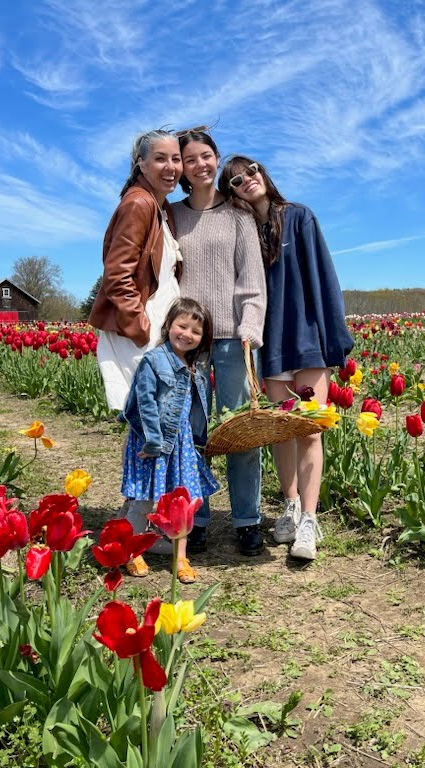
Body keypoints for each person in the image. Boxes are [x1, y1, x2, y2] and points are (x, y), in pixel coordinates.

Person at [220, 155, 354, 561]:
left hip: (306, 337)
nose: (247, 181)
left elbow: (324, 276)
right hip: (270, 341)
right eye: (236, 181)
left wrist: (334, 337)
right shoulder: (243, 231)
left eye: (252, 171)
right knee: (281, 430)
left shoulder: (299, 217)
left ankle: (310, 521)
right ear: (232, 193)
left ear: (264, 173)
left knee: (309, 429)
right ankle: (291, 507)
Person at [171, 129, 267, 556]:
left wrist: (251, 327)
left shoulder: (239, 216)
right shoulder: (171, 216)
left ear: (216, 159)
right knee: (193, 433)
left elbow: (252, 282)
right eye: (190, 160)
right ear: (182, 169)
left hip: (232, 340)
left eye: (206, 156)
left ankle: (248, 518)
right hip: (189, 340)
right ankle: (198, 518)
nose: (200, 165)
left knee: (239, 431)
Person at [87, 129, 183, 544]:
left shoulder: (158, 207)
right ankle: (137, 529)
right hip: (138, 336)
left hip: (153, 330)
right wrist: (141, 328)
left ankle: (136, 520)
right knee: (152, 425)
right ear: (140, 164)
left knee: (152, 425)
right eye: (160, 159)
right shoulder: (139, 203)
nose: (172, 167)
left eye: (176, 159)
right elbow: (118, 273)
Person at [120, 298, 218, 582]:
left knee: (182, 501)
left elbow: (197, 408)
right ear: (169, 325)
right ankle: (132, 551)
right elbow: (144, 402)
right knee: (144, 498)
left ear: (202, 339)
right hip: (152, 441)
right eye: (182, 326)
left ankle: (181, 557)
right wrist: (153, 440)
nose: (187, 334)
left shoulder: (196, 367)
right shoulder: (154, 360)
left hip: (182, 445)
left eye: (195, 331)